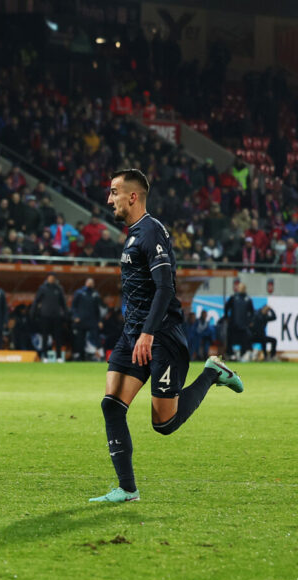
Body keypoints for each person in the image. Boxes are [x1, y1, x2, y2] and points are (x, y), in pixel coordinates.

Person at [91, 169, 242, 504]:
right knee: (111, 405)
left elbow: (164, 287)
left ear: (133, 196)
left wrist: (147, 334)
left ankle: (212, 373)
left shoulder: (151, 231)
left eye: (114, 192)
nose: (109, 198)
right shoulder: (131, 235)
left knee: (164, 424)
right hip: (133, 335)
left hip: (161, 336)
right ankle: (127, 490)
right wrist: (136, 331)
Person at [32, 273, 68, 357]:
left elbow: (63, 303)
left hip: (57, 316)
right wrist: (33, 313)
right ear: (47, 278)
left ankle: (59, 356)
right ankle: (44, 356)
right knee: (45, 337)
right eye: (50, 277)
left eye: (53, 278)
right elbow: (36, 301)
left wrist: (66, 314)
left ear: (55, 279)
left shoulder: (59, 288)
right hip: (45, 316)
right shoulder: (42, 288)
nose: (51, 279)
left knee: (58, 337)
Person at [71, 277, 102, 361]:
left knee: (95, 338)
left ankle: (97, 356)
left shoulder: (95, 294)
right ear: (86, 283)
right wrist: (75, 316)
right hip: (81, 321)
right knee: (80, 339)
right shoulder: (79, 292)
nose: (91, 284)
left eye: (92, 282)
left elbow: (97, 309)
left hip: (92, 321)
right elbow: (73, 306)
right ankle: (79, 356)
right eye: (89, 282)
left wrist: (99, 320)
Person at [223, 282, 254, 360]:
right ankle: (230, 354)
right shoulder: (233, 298)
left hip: (243, 325)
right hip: (233, 324)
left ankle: (243, 355)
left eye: (242, 287)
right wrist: (227, 317)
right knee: (230, 339)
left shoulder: (248, 299)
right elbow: (227, 307)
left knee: (244, 340)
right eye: (239, 287)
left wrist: (250, 321)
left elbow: (252, 312)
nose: (240, 289)